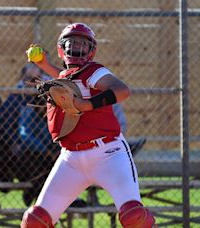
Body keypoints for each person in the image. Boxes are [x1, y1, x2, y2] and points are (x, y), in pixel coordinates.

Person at [21, 23, 156, 228]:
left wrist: (87, 104)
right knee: (35, 220)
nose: (75, 48)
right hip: (71, 159)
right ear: (61, 49)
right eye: (70, 44)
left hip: (108, 154)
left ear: (91, 51)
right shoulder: (67, 76)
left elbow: (122, 90)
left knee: (133, 216)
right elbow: (67, 77)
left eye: (81, 45)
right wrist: (43, 63)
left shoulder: (94, 71)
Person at [0, 63, 58, 206]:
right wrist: (48, 151)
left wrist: (52, 150)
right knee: (32, 158)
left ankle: (38, 196)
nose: (32, 85)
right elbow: (23, 135)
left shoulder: (48, 103)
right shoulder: (19, 101)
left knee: (52, 164)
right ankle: (37, 196)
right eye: (29, 80)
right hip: (22, 152)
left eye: (36, 80)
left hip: (43, 152)